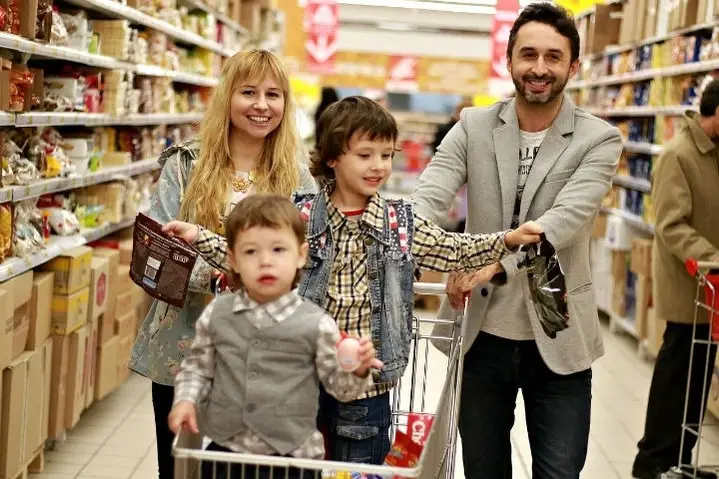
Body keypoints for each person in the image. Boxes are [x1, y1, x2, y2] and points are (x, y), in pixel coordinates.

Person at [162, 96, 544, 465]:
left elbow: (451, 248)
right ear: (332, 157)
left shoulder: (400, 223)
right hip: (301, 381)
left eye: (386, 155)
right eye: (365, 155)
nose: (378, 165)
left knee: (357, 465)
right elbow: (253, 250)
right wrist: (199, 237)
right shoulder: (302, 215)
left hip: (367, 386)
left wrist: (506, 240)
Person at [411, 3, 622, 478]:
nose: (539, 68)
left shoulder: (599, 139)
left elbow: (564, 221)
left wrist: (492, 261)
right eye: (528, 55)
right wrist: (413, 243)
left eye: (553, 57)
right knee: (484, 471)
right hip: (481, 335)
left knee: (559, 472)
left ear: (572, 66)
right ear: (509, 61)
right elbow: (431, 194)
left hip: (559, 334)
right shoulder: (474, 125)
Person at [128, 49, 317, 479]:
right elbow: (157, 252)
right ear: (227, 96)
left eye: (273, 94)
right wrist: (220, 280)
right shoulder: (185, 164)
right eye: (248, 92)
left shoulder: (297, 177)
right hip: (183, 346)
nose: (261, 105)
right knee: (181, 469)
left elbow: (310, 258)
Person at [168, 195, 381, 479]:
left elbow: (341, 390)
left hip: (293, 460)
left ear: (301, 255)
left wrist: (358, 370)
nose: (265, 261)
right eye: (251, 252)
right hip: (227, 455)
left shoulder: (317, 324)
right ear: (233, 260)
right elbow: (197, 368)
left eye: (279, 249)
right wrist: (185, 401)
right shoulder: (217, 314)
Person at [631, 80, 719, 479]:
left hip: (711, 290)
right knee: (676, 377)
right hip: (690, 286)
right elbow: (670, 225)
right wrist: (713, 258)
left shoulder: (713, 154)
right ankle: (653, 462)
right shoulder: (678, 155)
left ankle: (679, 461)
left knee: (697, 381)